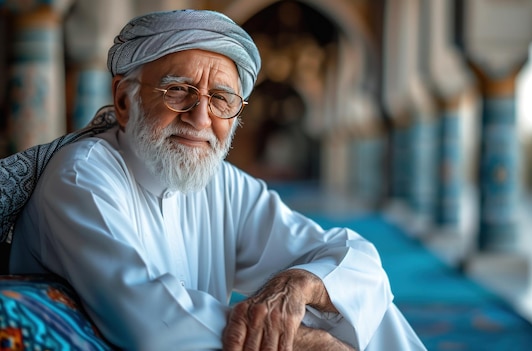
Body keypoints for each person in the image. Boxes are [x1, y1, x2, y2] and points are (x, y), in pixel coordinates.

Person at [8, 9, 426, 351]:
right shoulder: (81, 177)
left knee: (352, 303)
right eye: (178, 91)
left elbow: (357, 260)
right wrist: (319, 346)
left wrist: (301, 283)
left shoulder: (220, 183)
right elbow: (154, 325)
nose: (201, 117)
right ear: (123, 100)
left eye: (221, 99)